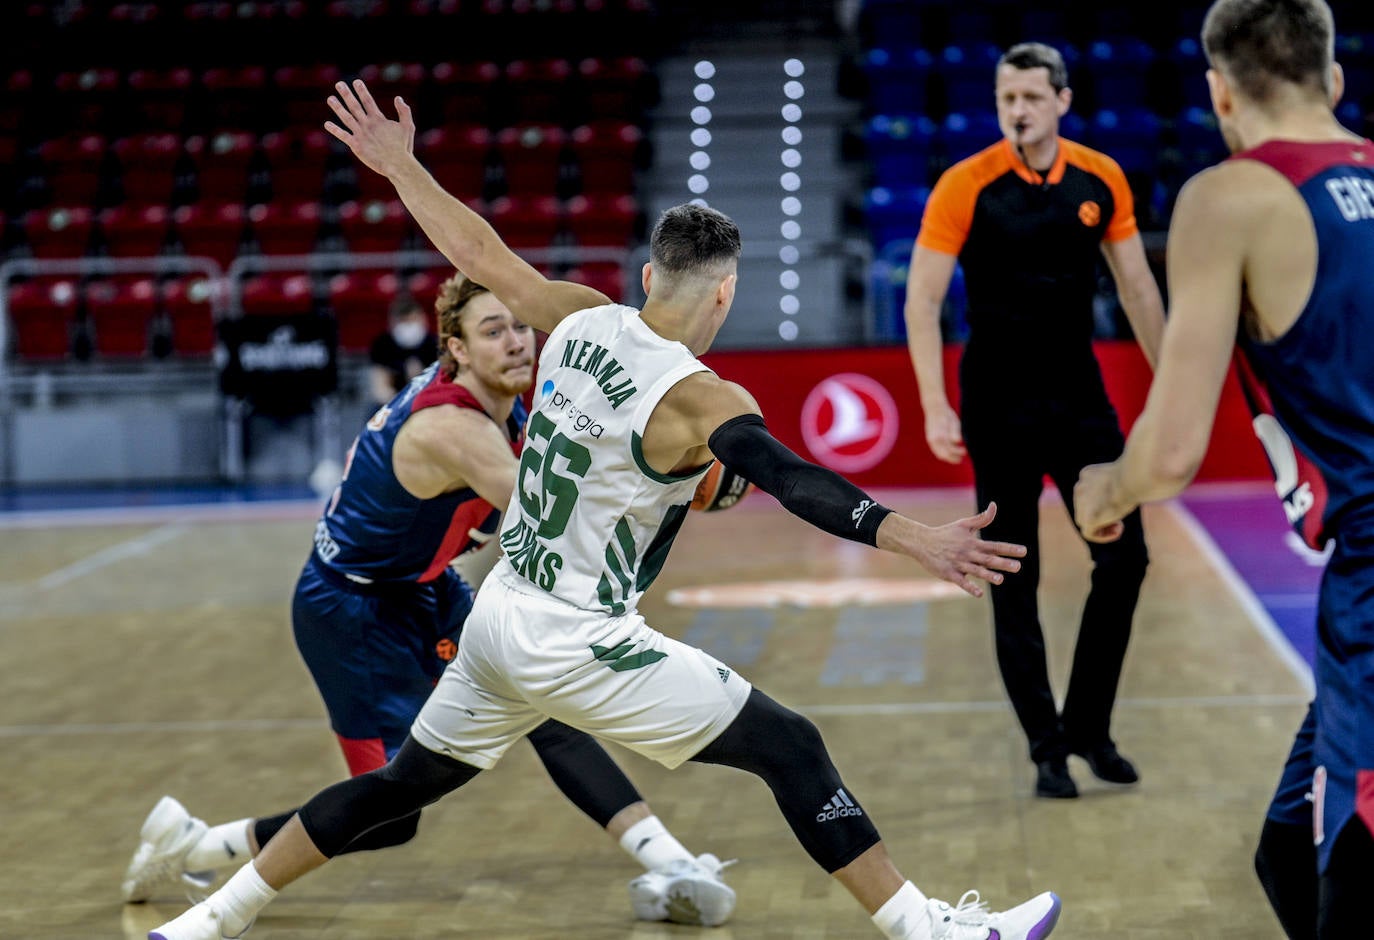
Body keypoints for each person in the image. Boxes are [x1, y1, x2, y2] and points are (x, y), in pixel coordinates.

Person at [147, 78, 1061, 940]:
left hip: (499, 613)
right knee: (790, 745)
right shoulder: (703, 400)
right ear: (725, 292)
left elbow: (477, 254)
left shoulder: (580, 319)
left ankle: (206, 921)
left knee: (400, 787)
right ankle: (928, 928)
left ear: (649, 277)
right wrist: (914, 538)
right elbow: (790, 479)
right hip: (575, 635)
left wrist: (401, 167)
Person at [125, 270, 737, 927]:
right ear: (458, 349)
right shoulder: (453, 427)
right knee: (393, 816)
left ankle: (670, 861)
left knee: (544, 705)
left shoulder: (507, 400)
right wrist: (674, 474)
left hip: (424, 584)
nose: (516, 342)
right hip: (353, 612)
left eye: (520, 326)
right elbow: (556, 519)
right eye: (492, 331)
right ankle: (198, 846)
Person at [1071, 1, 1374, 935]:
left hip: (1370, 578)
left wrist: (1105, 490)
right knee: (1286, 850)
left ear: (1220, 94)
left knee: (1347, 886)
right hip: (1356, 591)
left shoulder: (1231, 197)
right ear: (1333, 79)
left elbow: (1171, 453)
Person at [902, 42, 1167, 799]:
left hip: (1080, 399)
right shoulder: (966, 183)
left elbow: (1138, 289)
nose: (1016, 110)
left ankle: (1090, 728)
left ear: (1062, 101)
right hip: (998, 402)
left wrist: (1176, 381)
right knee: (1014, 578)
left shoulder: (1100, 177)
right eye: (1005, 98)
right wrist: (933, 404)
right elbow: (923, 299)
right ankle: (1047, 748)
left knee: (1126, 559)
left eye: (1029, 97)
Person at [367, 289, 439, 406]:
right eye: (404, 321)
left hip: (428, 399)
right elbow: (380, 388)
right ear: (393, 322)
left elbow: (441, 384)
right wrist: (401, 405)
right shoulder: (383, 344)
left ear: (423, 319)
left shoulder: (434, 344)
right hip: (394, 401)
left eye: (413, 320)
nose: (409, 326)